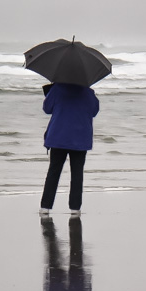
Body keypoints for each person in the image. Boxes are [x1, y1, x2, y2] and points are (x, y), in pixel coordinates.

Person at [39, 83, 100, 216]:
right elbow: (94, 111)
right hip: (80, 137)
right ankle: (75, 208)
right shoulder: (88, 92)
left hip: (58, 136)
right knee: (77, 173)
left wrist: (49, 91)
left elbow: (47, 108)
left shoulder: (57, 89)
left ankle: (45, 207)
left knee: (54, 171)